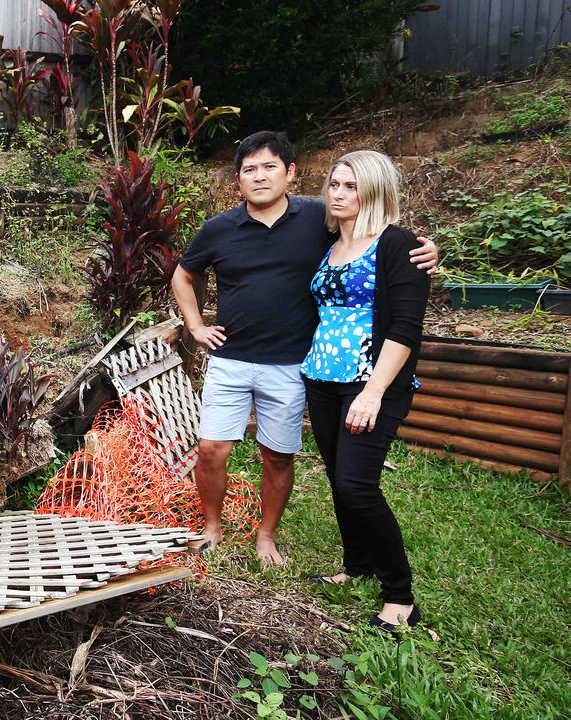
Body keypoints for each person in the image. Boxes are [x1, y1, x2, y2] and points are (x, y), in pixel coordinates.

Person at [171, 131, 437, 565]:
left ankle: (266, 536)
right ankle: (211, 527)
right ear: (237, 179)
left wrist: (426, 249)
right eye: (249, 170)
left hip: (293, 364)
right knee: (210, 450)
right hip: (231, 359)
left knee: (277, 455)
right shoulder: (218, 229)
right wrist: (196, 325)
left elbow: (377, 235)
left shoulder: (320, 218)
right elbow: (183, 274)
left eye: (269, 166)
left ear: (290, 172)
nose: (259, 177)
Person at [302, 150, 429, 630]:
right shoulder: (328, 242)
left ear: (374, 190)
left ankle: (400, 595)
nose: (337, 193)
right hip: (322, 378)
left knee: (358, 485)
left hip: (371, 383)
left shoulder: (399, 245)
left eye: (350, 186)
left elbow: (405, 327)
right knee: (339, 478)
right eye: (334, 184)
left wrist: (374, 391)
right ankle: (357, 566)